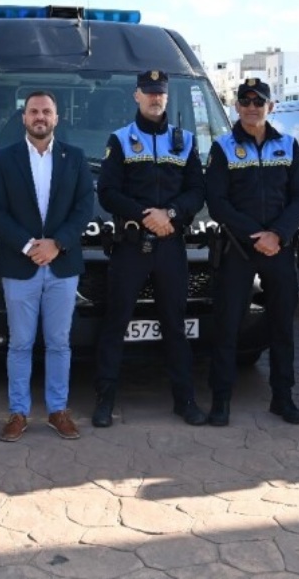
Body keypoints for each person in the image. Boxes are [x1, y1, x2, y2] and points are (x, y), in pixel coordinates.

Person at [93, 69, 207, 428]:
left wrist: (170, 214)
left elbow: (196, 191)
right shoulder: (121, 139)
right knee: (116, 324)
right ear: (137, 96)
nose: (155, 97)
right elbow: (108, 191)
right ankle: (105, 400)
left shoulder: (185, 141)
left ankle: (184, 400)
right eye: (149, 91)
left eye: (160, 92)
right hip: (131, 246)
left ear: (167, 97)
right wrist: (146, 215)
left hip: (171, 246)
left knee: (175, 325)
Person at [0, 90, 95, 442]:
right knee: (20, 343)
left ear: (57, 118)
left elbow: (83, 208)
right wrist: (31, 245)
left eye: (47, 111)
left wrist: (57, 243)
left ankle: (58, 411)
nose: (40, 117)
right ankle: (18, 413)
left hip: (63, 265)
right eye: (34, 111)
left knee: (59, 343)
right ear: (24, 117)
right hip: (21, 264)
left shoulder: (75, 158)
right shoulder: (4, 159)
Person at [206, 79, 299, 426]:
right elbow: (217, 203)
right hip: (238, 248)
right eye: (245, 101)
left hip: (279, 246)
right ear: (236, 106)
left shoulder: (289, 146)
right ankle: (221, 401)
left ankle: (283, 398)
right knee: (227, 326)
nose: (252, 106)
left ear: (271, 106)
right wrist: (256, 236)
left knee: (282, 326)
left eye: (259, 101)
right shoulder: (222, 148)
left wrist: (277, 234)